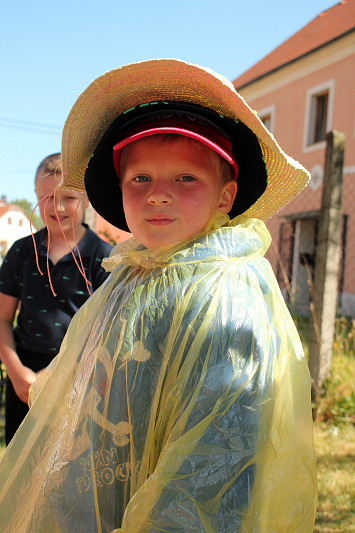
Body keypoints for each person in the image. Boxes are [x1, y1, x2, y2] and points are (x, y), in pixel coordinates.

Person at [0, 60, 317, 532]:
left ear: (226, 195)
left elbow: (217, 463)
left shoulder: (227, 295)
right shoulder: (131, 275)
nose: (158, 195)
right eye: (140, 179)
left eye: (186, 178)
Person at [0, 153, 112, 445]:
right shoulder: (21, 253)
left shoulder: (105, 258)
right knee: (19, 474)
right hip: (24, 377)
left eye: (69, 198)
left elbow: (106, 334)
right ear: (35, 196)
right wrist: (16, 371)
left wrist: (55, 375)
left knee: (68, 477)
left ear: (86, 198)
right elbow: (2, 319)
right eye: (46, 197)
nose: (57, 207)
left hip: (79, 377)